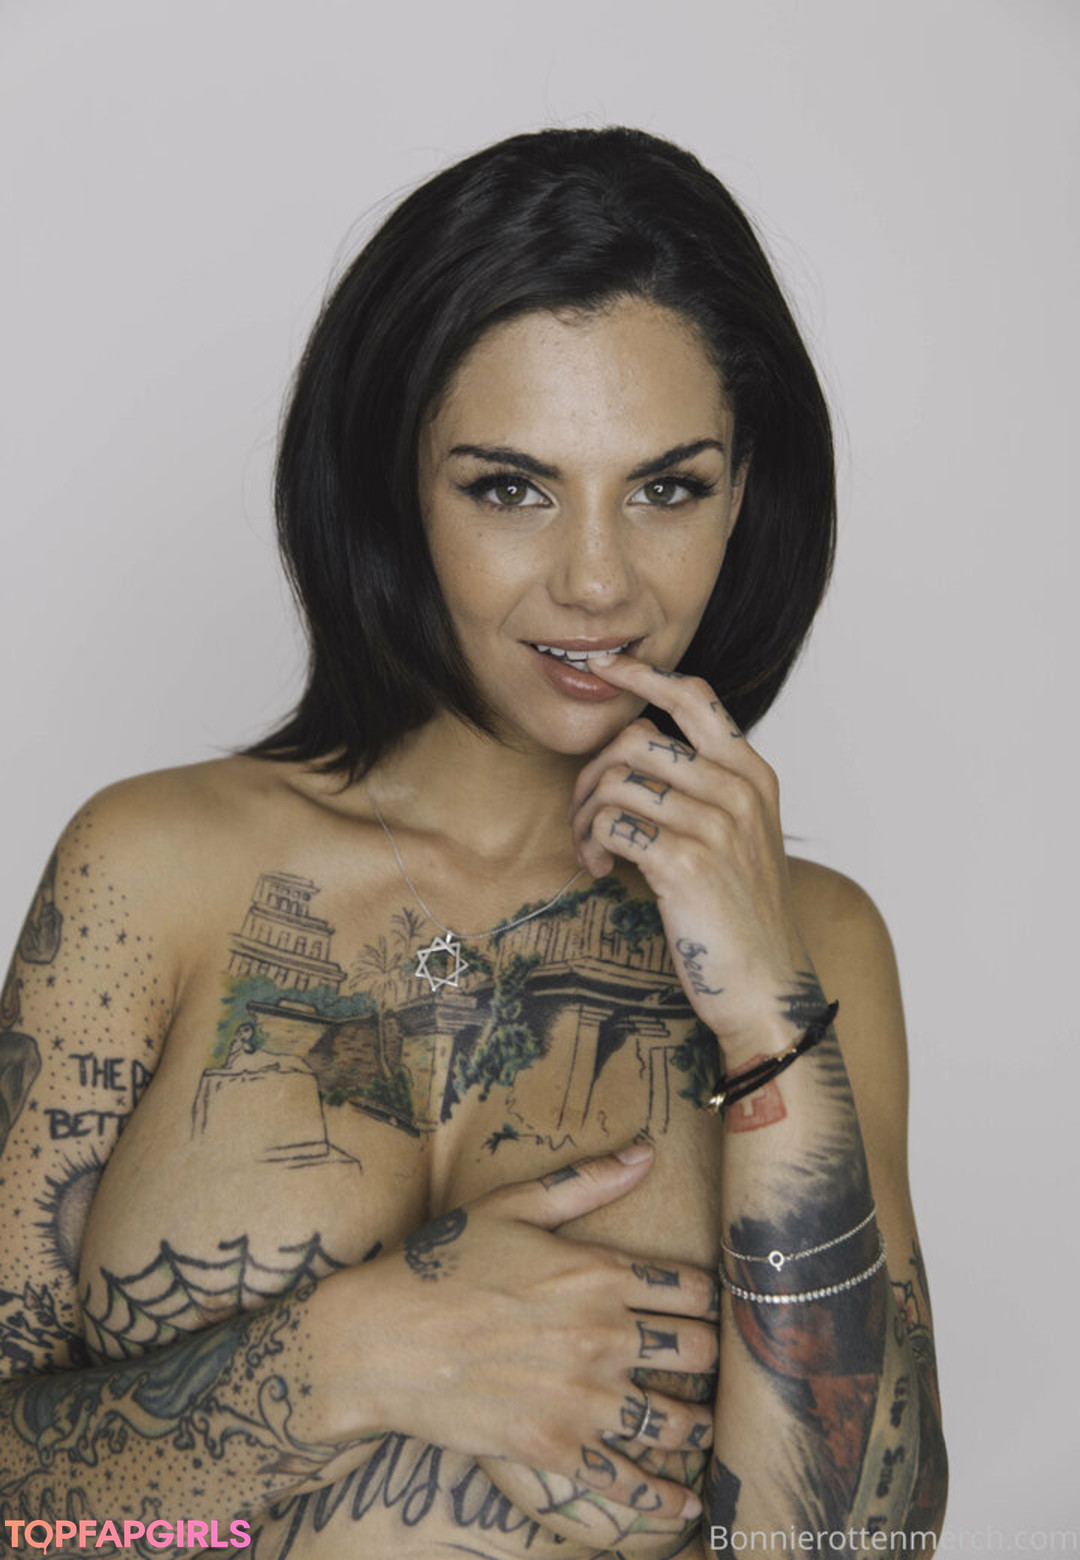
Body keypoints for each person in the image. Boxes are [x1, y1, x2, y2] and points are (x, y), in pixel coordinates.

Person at [0, 125, 947, 1559]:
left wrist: (768, 1019)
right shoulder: (151, 873)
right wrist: (346, 1360)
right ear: (398, 485)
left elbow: (851, 1550)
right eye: (511, 486)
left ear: (746, 494)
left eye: (668, 487)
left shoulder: (820, 949)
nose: (597, 581)